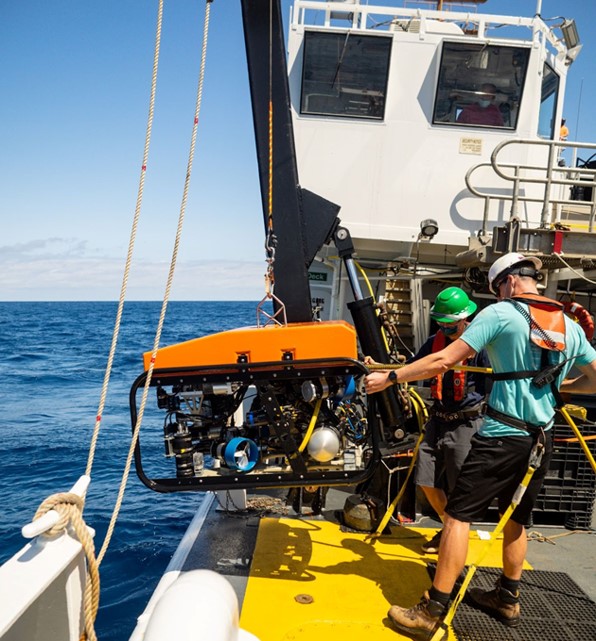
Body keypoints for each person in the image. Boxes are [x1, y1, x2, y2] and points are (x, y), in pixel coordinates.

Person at [365, 252, 596, 640]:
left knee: (457, 517)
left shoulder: (501, 313)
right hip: (541, 439)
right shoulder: (570, 328)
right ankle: (507, 597)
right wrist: (555, 386)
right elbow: (594, 380)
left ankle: (431, 609)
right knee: (516, 520)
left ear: (505, 283)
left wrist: (390, 377)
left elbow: (442, 360)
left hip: (500, 437)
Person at [409, 287, 490, 554]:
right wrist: (386, 370)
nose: (444, 328)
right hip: (438, 420)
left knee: (460, 488)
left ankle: (454, 539)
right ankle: (449, 529)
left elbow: (495, 383)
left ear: (464, 318)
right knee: (425, 478)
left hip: (466, 424)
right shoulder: (433, 343)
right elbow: (413, 366)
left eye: (449, 323)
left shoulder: (481, 347)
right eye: (440, 322)